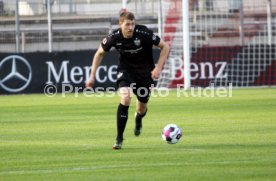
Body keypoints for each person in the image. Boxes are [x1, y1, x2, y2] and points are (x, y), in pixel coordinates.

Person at [85, 11, 170, 150]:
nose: (131, 27)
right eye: (127, 24)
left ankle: (138, 119)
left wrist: (158, 67)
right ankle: (119, 138)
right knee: (125, 98)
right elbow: (99, 53)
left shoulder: (144, 33)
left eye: (132, 24)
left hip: (145, 73)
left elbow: (165, 46)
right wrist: (91, 76)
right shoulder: (114, 37)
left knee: (141, 108)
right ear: (120, 24)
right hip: (126, 71)